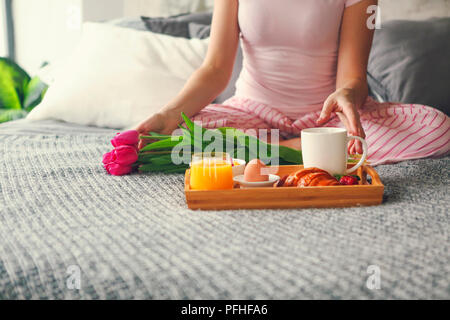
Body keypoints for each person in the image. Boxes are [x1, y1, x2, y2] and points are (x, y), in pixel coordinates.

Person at [136, 0, 450, 165]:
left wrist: (347, 94)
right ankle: (311, 152)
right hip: (253, 110)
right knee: (177, 135)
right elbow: (216, 68)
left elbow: (353, 75)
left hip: (327, 117)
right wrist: (171, 113)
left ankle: (264, 151)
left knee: (437, 127)